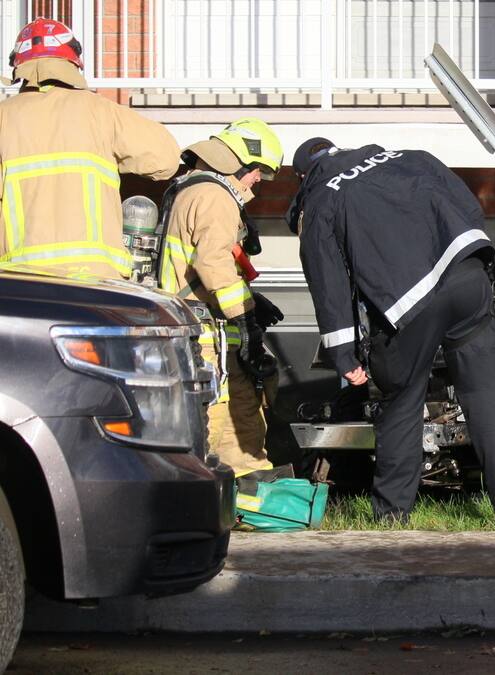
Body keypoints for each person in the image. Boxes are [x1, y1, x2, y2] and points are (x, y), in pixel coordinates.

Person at [288, 137, 495, 523]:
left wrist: (344, 354)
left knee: (402, 399)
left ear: (303, 175)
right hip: (469, 276)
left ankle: (392, 514)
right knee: (483, 392)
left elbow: (328, 283)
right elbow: (467, 208)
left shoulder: (320, 199)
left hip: (409, 302)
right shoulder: (410, 157)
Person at [0, 18, 180, 279]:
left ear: (19, 64)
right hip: (96, 282)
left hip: (23, 283)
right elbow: (166, 159)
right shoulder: (101, 111)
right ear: (73, 62)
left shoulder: (4, 117)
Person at [158, 118, 286, 478]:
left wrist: (250, 298)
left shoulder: (188, 189)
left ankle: (245, 493)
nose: (259, 180)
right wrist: (244, 322)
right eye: (258, 170)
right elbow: (213, 262)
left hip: (198, 328)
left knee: (236, 414)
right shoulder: (215, 197)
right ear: (237, 162)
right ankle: (235, 497)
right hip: (207, 339)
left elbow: (205, 268)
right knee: (226, 419)